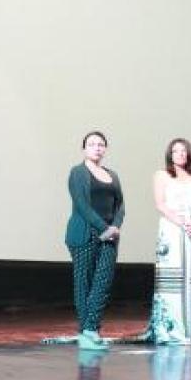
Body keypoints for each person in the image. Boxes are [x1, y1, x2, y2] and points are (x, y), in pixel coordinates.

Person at [142, 138, 191, 344]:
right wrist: (183, 223)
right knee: (174, 278)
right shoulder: (162, 175)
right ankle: (171, 330)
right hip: (173, 228)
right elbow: (160, 204)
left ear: (189, 154)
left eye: (183, 150)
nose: (179, 154)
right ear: (169, 155)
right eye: (175, 151)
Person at [65, 131, 124, 350]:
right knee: (84, 283)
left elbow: (120, 205)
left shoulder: (113, 175)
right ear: (84, 149)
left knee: (103, 283)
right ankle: (87, 330)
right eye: (91, 144)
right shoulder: (77, 172)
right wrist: (104, 228)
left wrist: (115, 226)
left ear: (105, 149)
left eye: (101, 144)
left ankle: (90, 329)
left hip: (109, 236)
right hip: (84, 233)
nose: (97, 148)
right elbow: (81, 204)